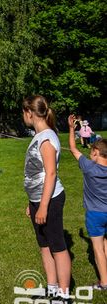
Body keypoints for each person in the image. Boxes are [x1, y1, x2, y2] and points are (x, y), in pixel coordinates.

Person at [22, 95, 70, 300]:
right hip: (38, 200)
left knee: (58, 247)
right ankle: (52, 288)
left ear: (30, 113)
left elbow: (50, 174)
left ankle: (64, 294)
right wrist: (31, 203)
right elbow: (36, 172)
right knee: (44, 246)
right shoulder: (39, 135)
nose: (22, 117)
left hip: (50, 200)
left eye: (23, 113)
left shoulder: (47, 138)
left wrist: (42, 206)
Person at [68, 115, 107, 290]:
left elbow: (73, 148)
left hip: (95, 214)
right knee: (106, 244)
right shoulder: (91, 165)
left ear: (97, 153)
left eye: (91, 152)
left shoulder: (89, 167)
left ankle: (104, 283)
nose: (89, 154)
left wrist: (71, 128)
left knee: (98, 250)